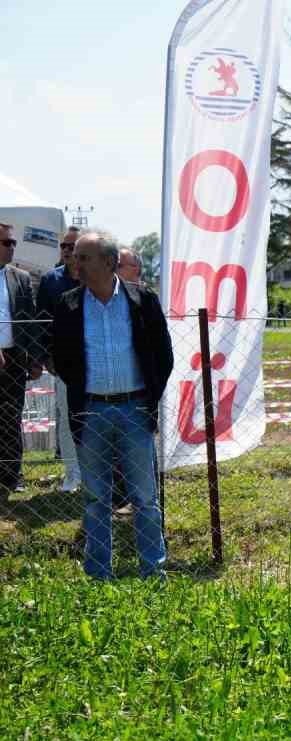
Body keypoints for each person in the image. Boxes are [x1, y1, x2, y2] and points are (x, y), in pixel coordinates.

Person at [48, 231, 174, 579]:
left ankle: (154, 572)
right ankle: (99, 574)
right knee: (95, 499)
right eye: (75, 256)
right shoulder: (68, 305)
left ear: (108, 262)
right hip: (90, 413)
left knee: (145, 498)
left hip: (135, 410)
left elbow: (162, 356)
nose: (76, 263)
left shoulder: (142, 300)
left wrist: (149, 399)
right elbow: (61, 357)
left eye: (84, 257)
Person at [36, 226, 82, 493]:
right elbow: (40, 322)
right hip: (64, 365)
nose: (66, 251)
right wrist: (45, 358)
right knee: (66, 418)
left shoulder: (96, 278)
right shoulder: (50, 280)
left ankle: (95, 472)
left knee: (95, 419)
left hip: (97, 363)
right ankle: (72, 474)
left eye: (71, 246)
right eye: (63, 246)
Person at [0, 221, 40, 500]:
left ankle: (12, 477)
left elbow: (31, 323)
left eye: (13, 242)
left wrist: (35, 358)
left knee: (11, 417)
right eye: (6, 242)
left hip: (14, 358)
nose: (12, 247)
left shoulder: (21, 278)